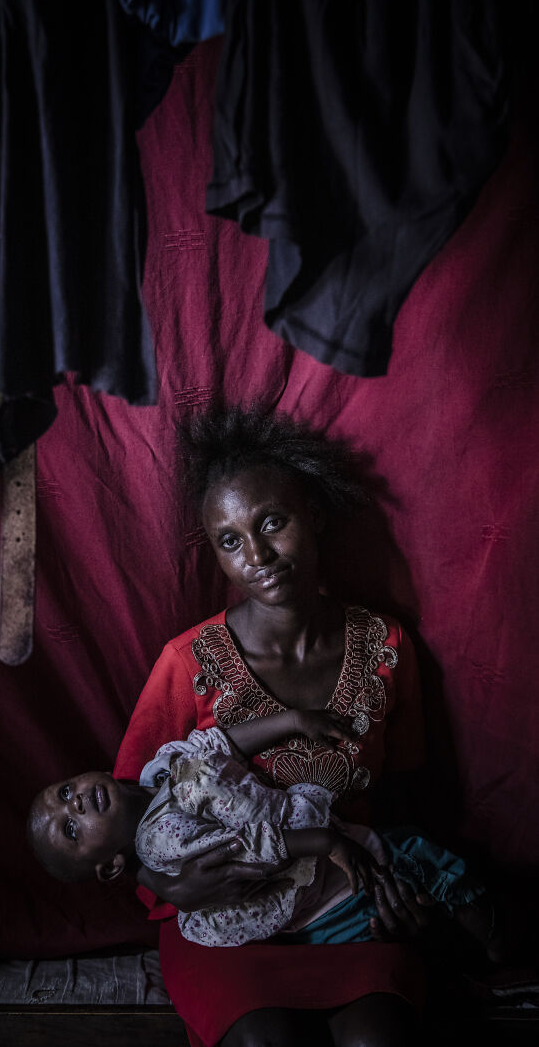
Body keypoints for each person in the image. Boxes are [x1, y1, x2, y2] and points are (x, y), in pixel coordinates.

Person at [112, 405, 441, 1047]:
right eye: (230, 540)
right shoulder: (187, 664)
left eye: (271, 523)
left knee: (380, 1038)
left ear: (313, 515)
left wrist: (410, 885)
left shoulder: (385, 646)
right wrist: (166, 881)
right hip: (227, 921)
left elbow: (407, 791)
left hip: (346, 907)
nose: (257, 554)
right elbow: (123, 813)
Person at [28, 714, 495, 954]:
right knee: (415, 869)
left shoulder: (160, 772)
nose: (74, 803)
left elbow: (218, 742)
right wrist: (326, 842)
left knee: (413, 864)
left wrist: (292, 721)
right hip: (315, 874)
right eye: (71, 827)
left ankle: (477, 941)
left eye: (65, 790)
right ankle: (497, 951)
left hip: (323, 850)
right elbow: (248, 851)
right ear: (110, 865)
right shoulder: (158, 841)